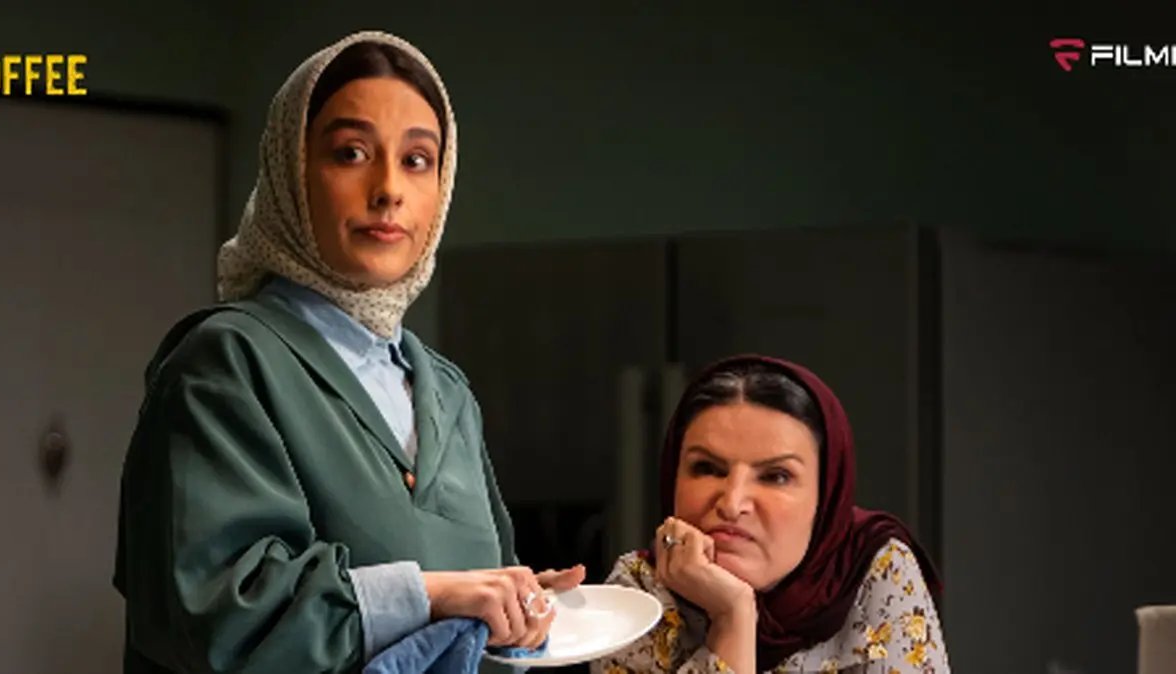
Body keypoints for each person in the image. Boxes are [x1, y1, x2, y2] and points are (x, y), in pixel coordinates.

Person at [112, 31, 583, 674]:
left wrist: (513, 607)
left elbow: (471, 600)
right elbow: (217, 618)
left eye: (416, 160)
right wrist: (429, 596)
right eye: (351, 153)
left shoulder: (446, 392)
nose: (388, 189)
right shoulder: (225, 364)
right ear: (291, 172)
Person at [591, 356, 948, 673]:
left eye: (775, 476)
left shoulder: (871, 572)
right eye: (707, 468)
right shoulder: (639, 594)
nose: (732, 503)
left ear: (826, 496)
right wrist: (732, 619)